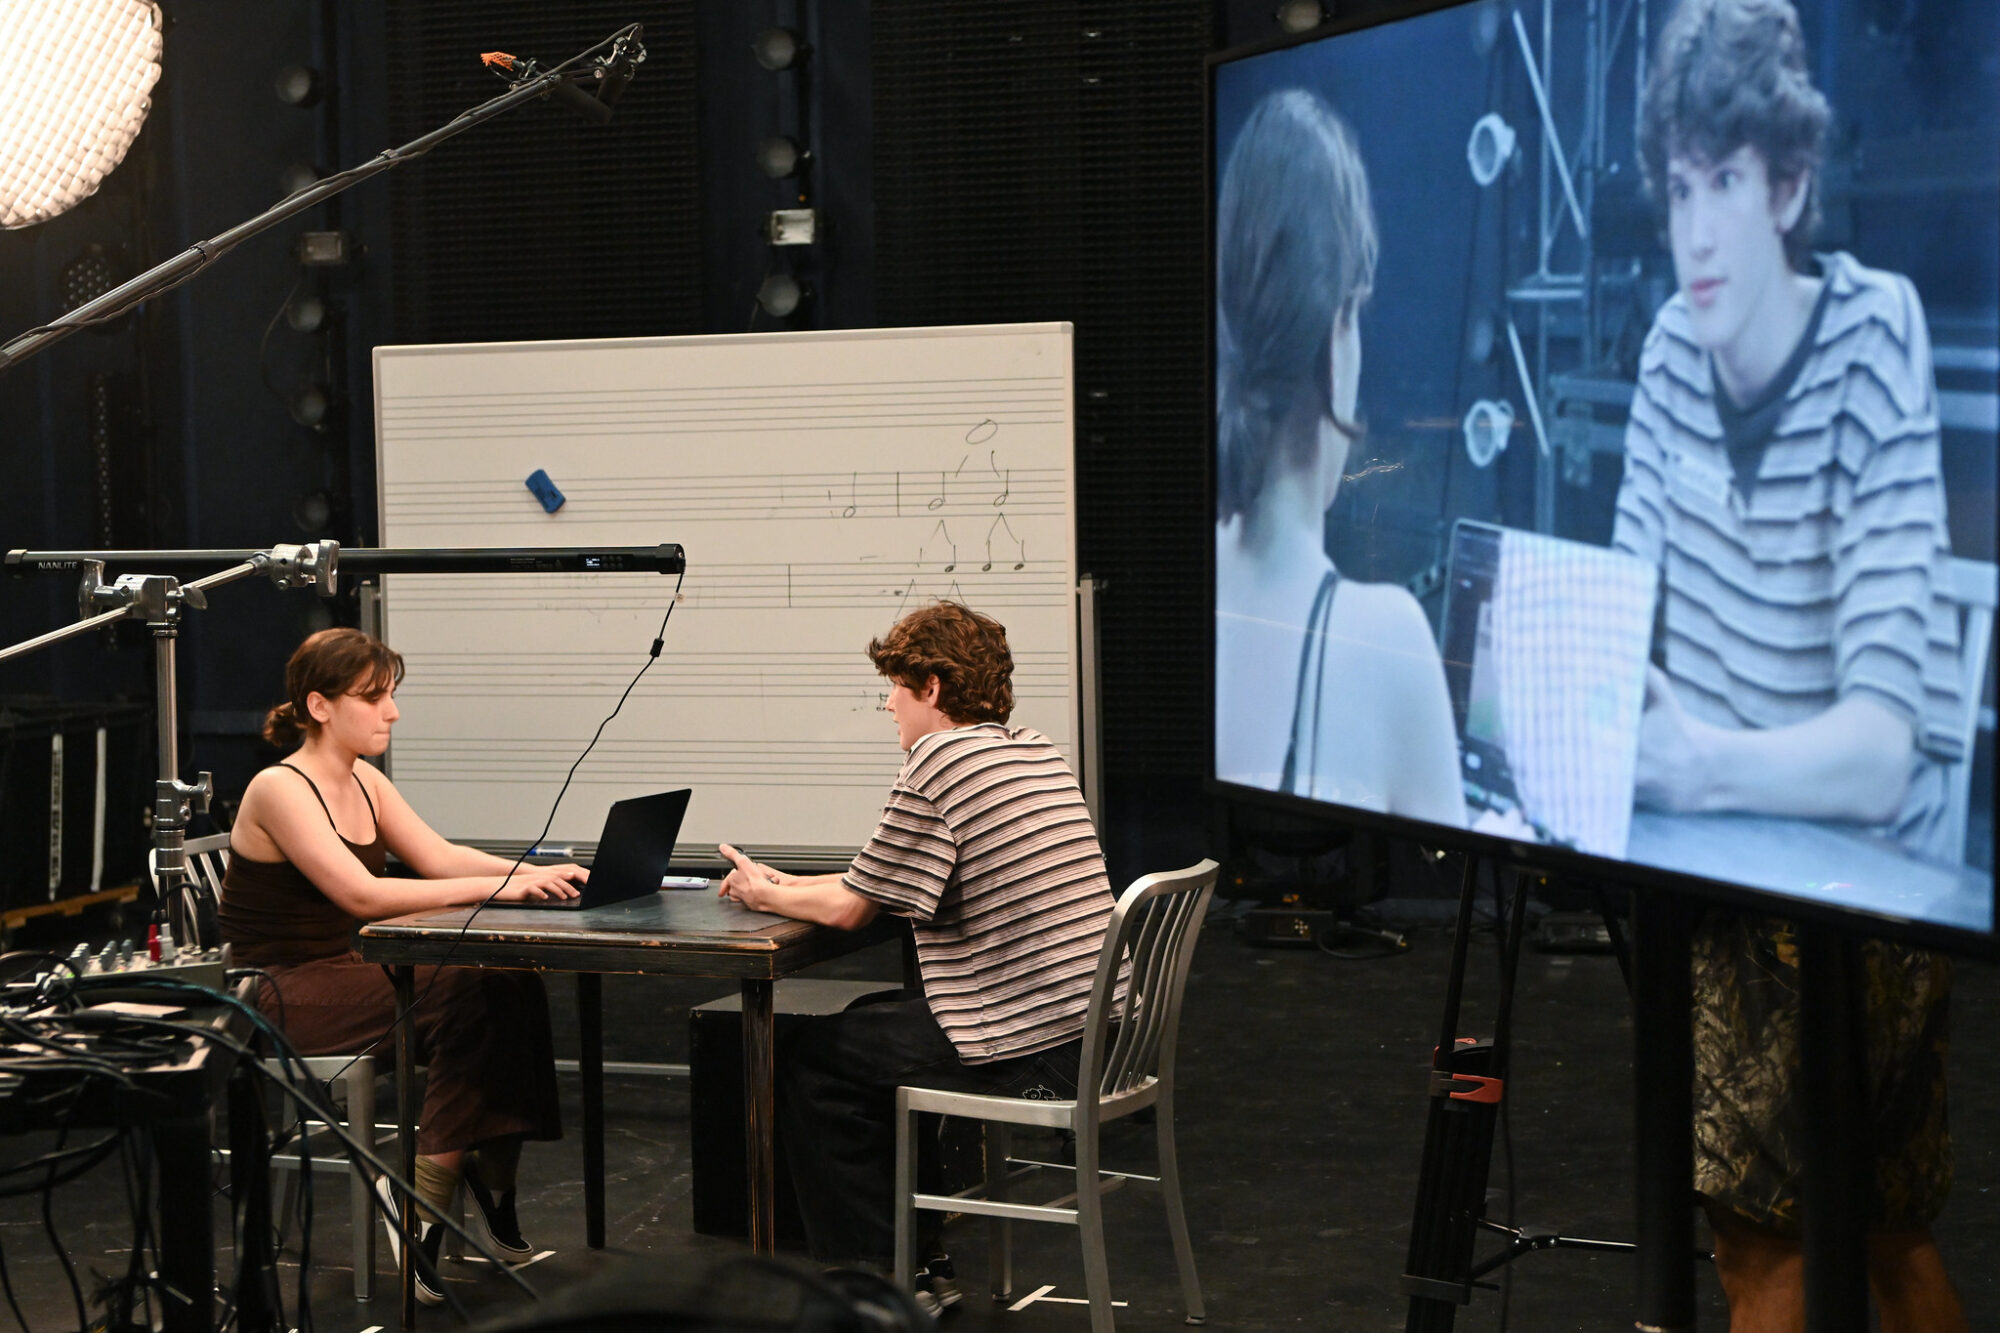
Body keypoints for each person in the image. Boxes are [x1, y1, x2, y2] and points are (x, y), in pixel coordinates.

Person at [1617, 2, 1967, 1328]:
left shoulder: (1876, 330)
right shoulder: (1663, 351)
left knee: (1792, 1244)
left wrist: (1703, 763)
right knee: (1861, 1231)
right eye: (1676, 187)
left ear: (1790, 186)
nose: (1695, 229)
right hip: (1711, 882)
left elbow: (1881, 753)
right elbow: (1625, 642)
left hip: (1846, 899)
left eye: (1725, 184)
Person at [715, 600, 1115, 1316]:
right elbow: (872, 884)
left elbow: (850, 909)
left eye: (894, 687)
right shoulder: (1032, 748)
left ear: (930, 685)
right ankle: (920, 1260)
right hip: (1092, 1037)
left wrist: (758, 892)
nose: (890, 706)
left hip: (1029, 1049)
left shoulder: (938, 760)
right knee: (873, 1026)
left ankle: (873, 1281)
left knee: (806, 1060)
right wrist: (780, 883)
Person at [219, 627, 586, 1306]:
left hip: (342, 972)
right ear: (320, 705)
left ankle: (488, 1188)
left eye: (391, 695)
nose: (392, 712)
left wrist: (531, 873)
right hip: (276, 994)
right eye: (374, 697)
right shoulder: (280, 787)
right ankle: (418, 1198)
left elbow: (439, 855)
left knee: (512, 980)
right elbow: (362, 896)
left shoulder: (362, 777)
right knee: (469, 989)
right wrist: (495, 888)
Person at [1211, 87, 1466, 827]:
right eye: (1356, 308)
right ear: (1335, 331)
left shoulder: (1203, 581)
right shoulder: (1390, 640)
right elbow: (1467, 905)